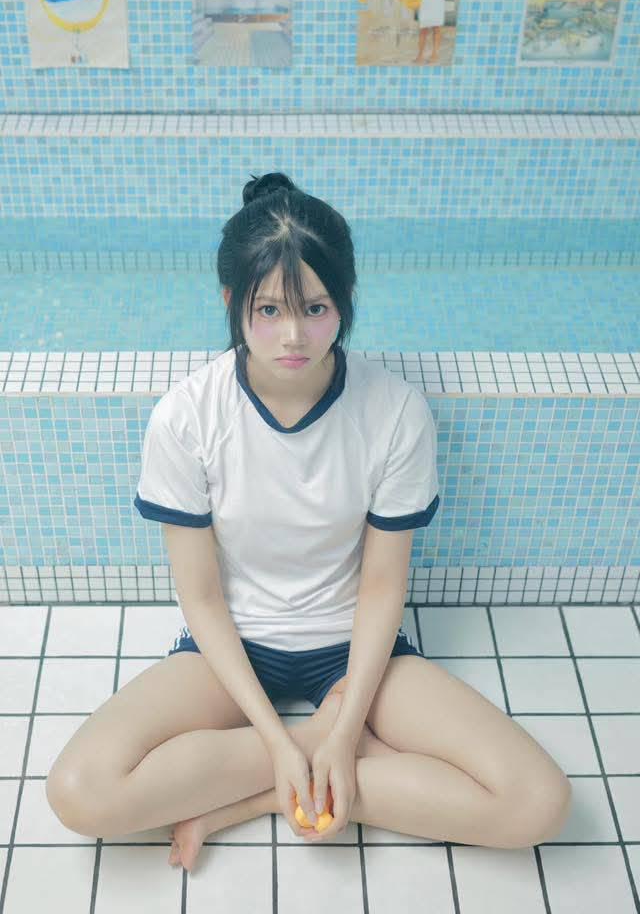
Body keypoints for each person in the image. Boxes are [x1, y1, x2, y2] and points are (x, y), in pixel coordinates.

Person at [45, 172, 572, 873]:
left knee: (538, 803)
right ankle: (298, 765)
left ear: (346, 300)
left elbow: (382, 587)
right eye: (268, 309)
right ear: (231, 301)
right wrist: (281, 740)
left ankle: (253, 798)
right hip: (234, 646)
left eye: (317, 308)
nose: (293, 336)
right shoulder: (187, 417)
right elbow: (201, 597)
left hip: (352, 649)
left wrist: (343, 727)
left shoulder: (395, 412)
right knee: (79, 792)